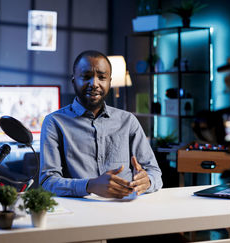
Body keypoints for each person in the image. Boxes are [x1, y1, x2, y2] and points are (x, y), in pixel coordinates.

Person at [40, 50, 162, 198]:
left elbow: (154, 172)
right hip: (79, 212)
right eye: (86, 77)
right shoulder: (54, 122)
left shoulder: (128, 121)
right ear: (73, 81)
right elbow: (48, 182)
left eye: (102, 77)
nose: (94, 84)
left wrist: (147, 181)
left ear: (109, 82)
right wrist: (89, 185)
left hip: (126, 209)